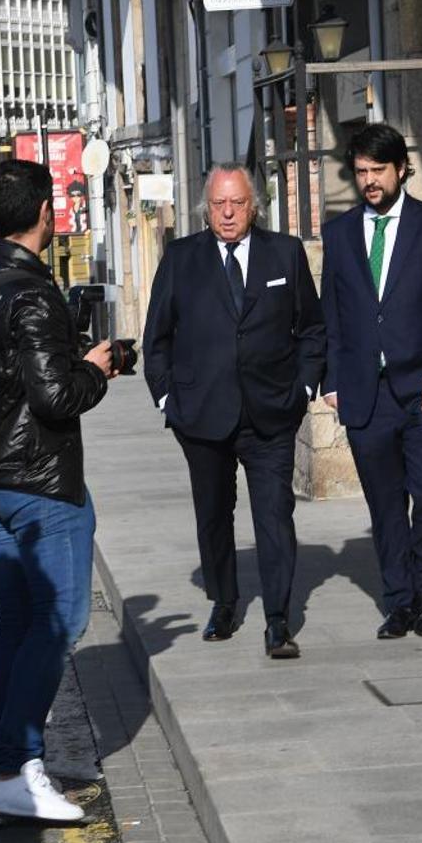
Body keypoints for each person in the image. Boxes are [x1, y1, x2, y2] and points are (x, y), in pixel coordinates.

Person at [0, 159, 116, 821]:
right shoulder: (30, 290)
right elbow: (55, 395)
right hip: (42, 482)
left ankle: (11, 758)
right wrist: (96, 366)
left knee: (16, 621)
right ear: (46, 215)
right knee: (60, 620)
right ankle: (14, 766)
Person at [142, 162, 325, 659]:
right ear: (207, 207)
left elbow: (311, 328)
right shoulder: (181, 258)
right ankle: (224, 602)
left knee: (275, 516)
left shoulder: (283, 254)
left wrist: (304, 387)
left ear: (253, 206)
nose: (227, 213)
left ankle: (278, 620)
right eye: (218, 204)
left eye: (237, 204)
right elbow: (155, 338)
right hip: (201, 415)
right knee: (214, 516)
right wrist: (167, 399)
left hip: (271, 412)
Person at [319, 123, 422, 640]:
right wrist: (332, 381)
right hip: (366, 394)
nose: (369, 181)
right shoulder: (339, 234)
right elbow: (333, 313)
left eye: (377, 171)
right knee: (384, 502)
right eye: (361, 171)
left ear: (401, 169)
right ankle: (400, 601)